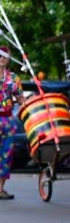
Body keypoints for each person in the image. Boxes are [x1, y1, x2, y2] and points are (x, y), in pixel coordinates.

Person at [0, 46, 26, 200]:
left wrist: (28, 104)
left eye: (4, 56)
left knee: (6, 155)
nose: (1, 59)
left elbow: (21, 98)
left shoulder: (13, 78)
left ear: (8, 59)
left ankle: (0, 189)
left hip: (8, 120)